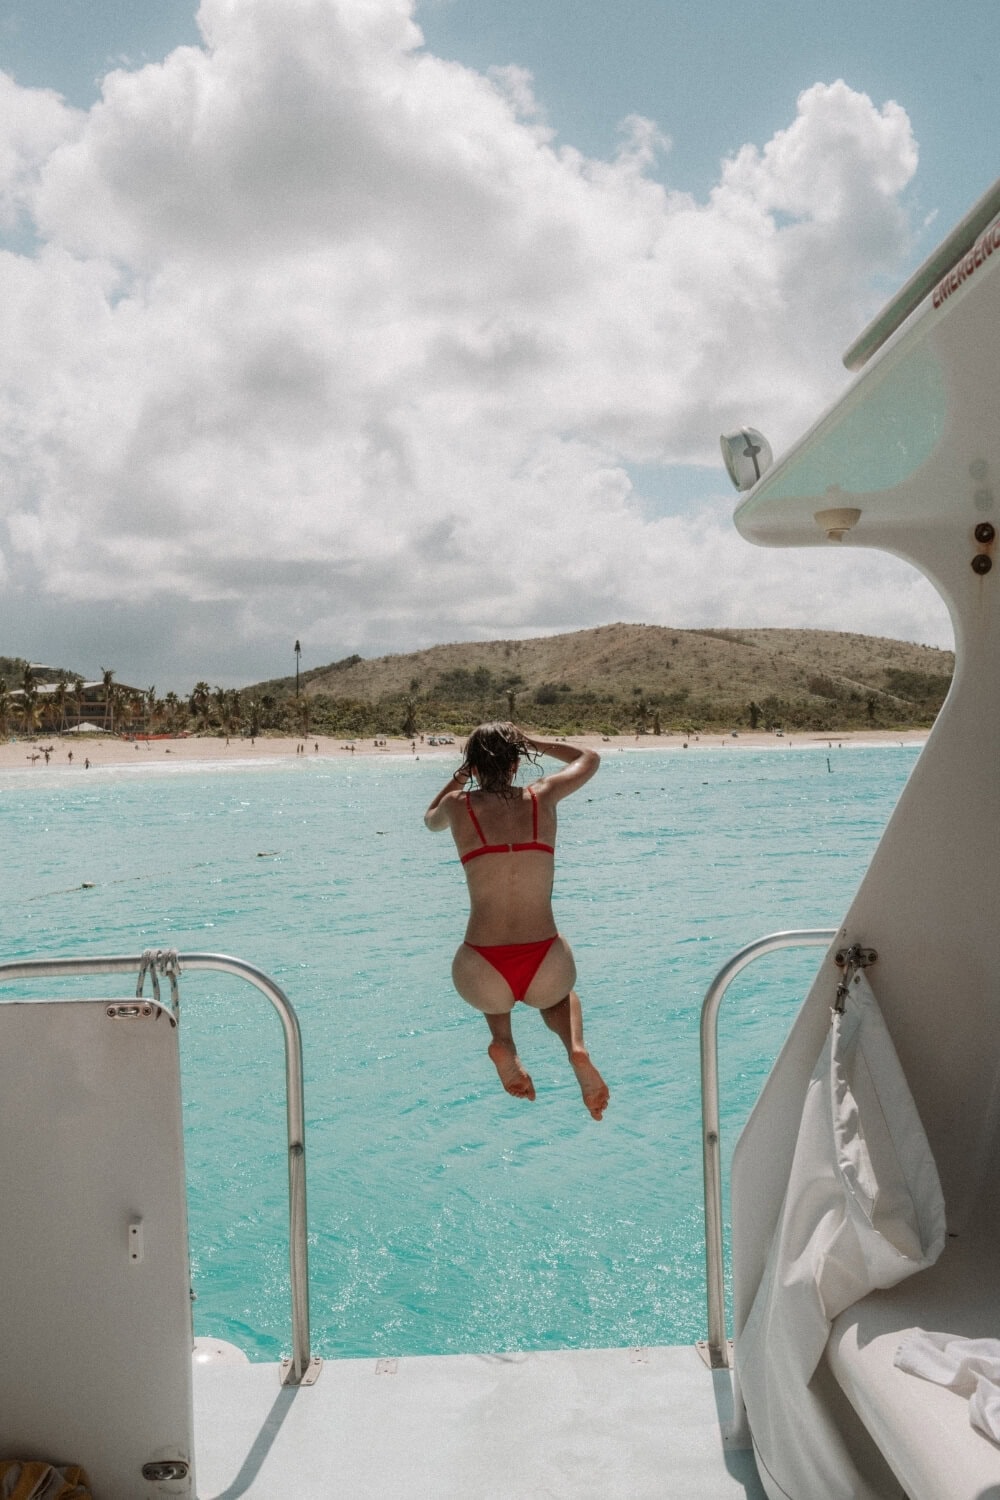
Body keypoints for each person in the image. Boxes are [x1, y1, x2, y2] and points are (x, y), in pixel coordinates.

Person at [424, 722, 609, 1120]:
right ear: (515, 763)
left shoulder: (460, 805)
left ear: (474, 765)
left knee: (496, 999)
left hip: (480, 963)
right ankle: (575, 1049)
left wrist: (461, 775)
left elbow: (429, 820)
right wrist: (535, 741)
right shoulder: (542, 795)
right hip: (546, 957)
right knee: (558, 998)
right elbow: (589, 758)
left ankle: (503, 1042)